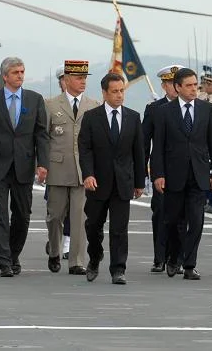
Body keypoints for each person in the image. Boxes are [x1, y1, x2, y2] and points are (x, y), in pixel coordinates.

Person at [0, 56, 49, 277]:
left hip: (24, 166)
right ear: (5, 76)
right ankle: (4, 261)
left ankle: (14, 254)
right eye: (16, 73)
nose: (20, 76)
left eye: (22, 72)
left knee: (22, 215)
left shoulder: (35, 99)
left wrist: (42, 163)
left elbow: (41, 134)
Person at [151, 67, 212, 281]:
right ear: (177, 87)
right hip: (174, 175)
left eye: (195, 85)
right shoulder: (164, 112)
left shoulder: (206, 109)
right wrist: (158, 174)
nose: (194, 89)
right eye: (189, 86)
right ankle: (173, 257)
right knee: (173, 221)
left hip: (199, 174)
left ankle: (190, 264)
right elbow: (159, 146)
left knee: (197, 220)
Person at [79, 72, 146, 284]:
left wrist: (139, 182)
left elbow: (139, 153)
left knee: (119, 229)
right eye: (115, 91)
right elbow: (85, 149)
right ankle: (95, 257)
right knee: (93, 227)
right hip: (97, 182)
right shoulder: (91, 118)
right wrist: (88, 174)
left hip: (122, 183)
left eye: (122, 91)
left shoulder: (133, 118)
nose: (119, 95)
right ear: (105, 93)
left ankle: (118, 269)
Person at [44, 60, 98, 275]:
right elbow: (43, 138)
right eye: (78, 78)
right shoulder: (50, 105)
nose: (83, 81)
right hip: (57, 168)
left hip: (82, 171)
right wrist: (41, 165)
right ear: (66, 81)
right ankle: (54, 251)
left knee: (79, 217)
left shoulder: (93, 105)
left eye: (85, 78)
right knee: (55, 215)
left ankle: (76, 261)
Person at [143, 65, 183, 273]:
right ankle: (160, 257)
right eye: (169, 84)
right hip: (161, 170)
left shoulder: (192, 108)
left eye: (177, 84)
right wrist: (142, 172)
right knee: (160, 213)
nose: (174, 89)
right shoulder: (154, 109)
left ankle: (180, 257)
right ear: (164, 85)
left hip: (185, 171)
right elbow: (144, 142)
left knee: (183, 216)